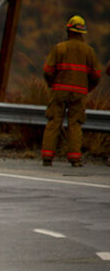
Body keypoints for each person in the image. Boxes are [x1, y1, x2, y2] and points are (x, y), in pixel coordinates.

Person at [41, 15, 101, 167]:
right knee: (75, 124)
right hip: (79, 93)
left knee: (54, 122)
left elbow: (48, 71)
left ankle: (47, 157)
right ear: (82, 33)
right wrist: (86, 89)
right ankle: (74, 159)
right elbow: (96, 75)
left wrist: (52, 85)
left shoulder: (59, 48)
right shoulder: (89, 52)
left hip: (59, 91)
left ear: (68, 31)